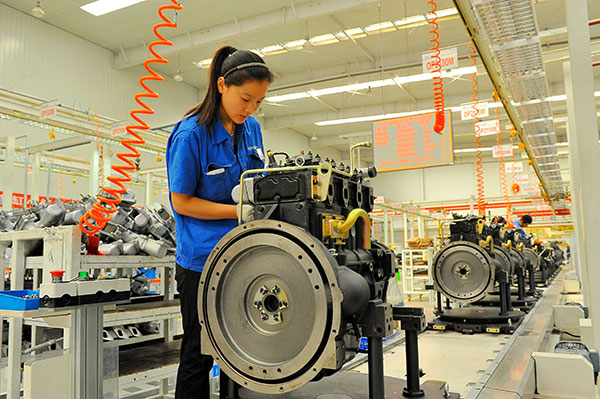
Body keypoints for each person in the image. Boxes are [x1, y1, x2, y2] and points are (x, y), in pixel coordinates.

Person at [166, 45, 273, 399]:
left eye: (258, 102)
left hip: (244, 254)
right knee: (199, 353)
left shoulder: (252, 128)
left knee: (246, 346)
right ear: (222, 85)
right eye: (245, 98)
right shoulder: (190, 134)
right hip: (202, 261)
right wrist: (235, 212)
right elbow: (180, 201)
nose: (250, 108)